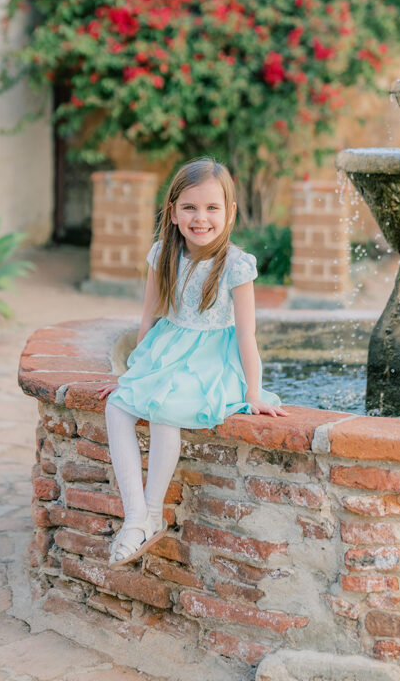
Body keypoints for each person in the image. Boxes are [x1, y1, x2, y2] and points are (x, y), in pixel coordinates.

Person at [96, 157, 289, 568]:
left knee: (168, 411)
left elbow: (246, 335)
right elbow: (148, 319)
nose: (200, 218)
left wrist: (253, 392)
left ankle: (150, 512)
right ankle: (139, 516)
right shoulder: (163, 254)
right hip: (167, 352)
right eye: (190, 207)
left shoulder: (237, 265)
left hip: (211, 360)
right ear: (173, 212)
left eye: (212, 208)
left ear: (230, 212)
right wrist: (133, 375)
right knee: (117, 407)